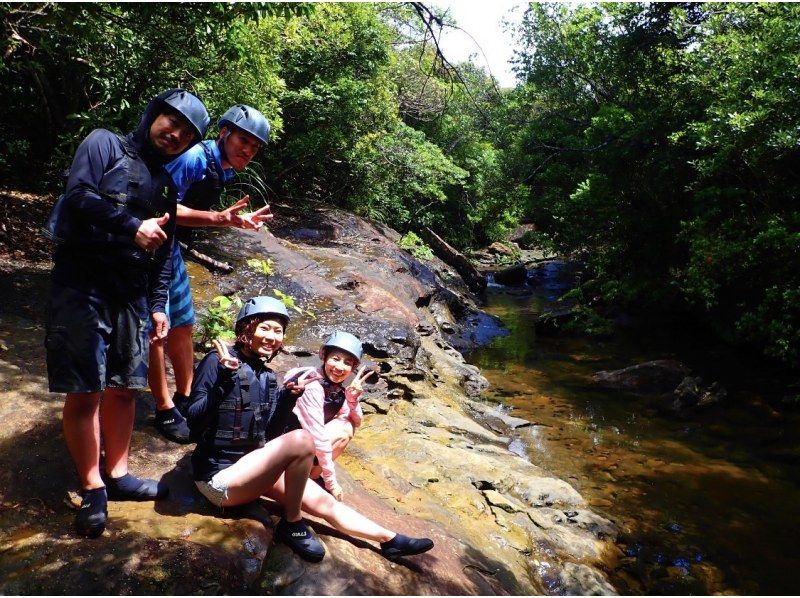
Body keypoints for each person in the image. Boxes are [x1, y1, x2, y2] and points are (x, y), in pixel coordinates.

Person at [45, 88, 210, 538]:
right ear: (154, 115)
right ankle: (92, 485)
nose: (175, 134)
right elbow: (79, 194)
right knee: (86, 391)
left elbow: (163, 254)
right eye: (171, 122)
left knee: (124, 390)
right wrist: (131, 225)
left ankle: (117, 475)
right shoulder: (103, 143)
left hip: (131, 295)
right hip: (81, 285)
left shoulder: (167, 186)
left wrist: (159, 307)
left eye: (187, 133)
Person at [188, 296, 434, 562]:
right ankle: (291, 523)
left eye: (278, 331)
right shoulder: (217, 361)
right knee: (303, 439)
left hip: (251, 469)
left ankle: (389, 540)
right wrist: (224, 380)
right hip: (219, 482)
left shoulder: (267, 376)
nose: (271, 336)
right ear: (247, 328)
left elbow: (266, 436)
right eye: (265, 328)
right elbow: (193, 421)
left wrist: (287, 399)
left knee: (324, 503)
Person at [149, 104, 272, 443]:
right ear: (223, 133)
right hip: (151, 245)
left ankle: (187, 397)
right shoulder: (196, 159)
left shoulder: (221, 168)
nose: (248, 150)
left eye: (254, 146)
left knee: (184, 323)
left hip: (170, 247)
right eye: (243, 141)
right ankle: (163, 408)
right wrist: (219, 218)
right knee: (156, 330)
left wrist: (232, 219)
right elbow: (159, 204)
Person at [281, 331, 375, 501]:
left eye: (347, 363)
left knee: (346, 425)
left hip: (301, 446)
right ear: (324, 356)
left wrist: (352, 400)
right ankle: (305, 476)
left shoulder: (336, 389)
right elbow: (318, 435)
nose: (340, 367)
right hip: (284, 447)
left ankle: (311, 475)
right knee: (341, 430)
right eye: (335, 359)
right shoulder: (311, 384)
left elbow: (357, 422)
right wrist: (331, 482)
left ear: (352, 369)